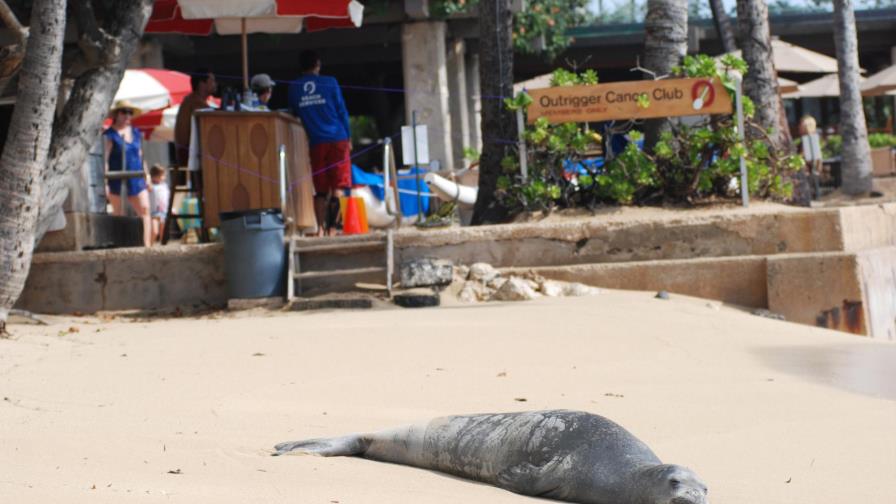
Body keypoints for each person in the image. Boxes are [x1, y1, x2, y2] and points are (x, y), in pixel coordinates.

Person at [288, 50, 352, 236]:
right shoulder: (330, 82)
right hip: (338, 139)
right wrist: (348, 137)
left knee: (321, 190)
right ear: (318, 64)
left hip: (316, 142)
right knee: (338, 187)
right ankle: (333, 229)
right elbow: (342, 112)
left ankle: (320, 230)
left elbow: (294, 112)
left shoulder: (294, 87)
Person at [104, 100, 152, 247]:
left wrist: (147, 175)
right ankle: (119, 246)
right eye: (123, 111)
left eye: (130, 112)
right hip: (116, 179)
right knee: (119, 214)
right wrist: (105, 182)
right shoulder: (109, 135)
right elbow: (104, 159)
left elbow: (140, 155)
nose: (127, 115)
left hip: (136, 178)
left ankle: (147, 245)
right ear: (116, 114)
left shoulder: (136, 133)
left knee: (145, 210)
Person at [174, 69, 216, 167]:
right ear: (202, 84)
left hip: (189, 153)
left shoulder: (191, 100)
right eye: (212, 81)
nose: (215, 84)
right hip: (191, 156)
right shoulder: (196, 103)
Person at [799, 115, 823, 199]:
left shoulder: (808, 139)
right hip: (811, 165)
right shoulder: (813, 138)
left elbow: (805, 155)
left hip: (809, 166)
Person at [148, 165, 170, 245]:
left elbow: (167, 197)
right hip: (154, 212)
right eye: (161, 175)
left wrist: (171, 208)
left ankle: (163, 247)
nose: (163, 177)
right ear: (153, 177)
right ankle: (149, 246)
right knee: (154, 231)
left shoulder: (164, 186)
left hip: (164, 212)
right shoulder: (150, 186)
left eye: (163, 175)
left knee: (163, 232)